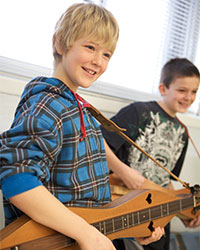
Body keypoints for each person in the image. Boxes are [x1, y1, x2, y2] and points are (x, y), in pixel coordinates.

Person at [0, 3, 164, 250]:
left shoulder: (81, 109)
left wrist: (129, 229)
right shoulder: (48, 103)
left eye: (107, 54)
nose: (98, 61)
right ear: (59, 44)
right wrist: (86, 234)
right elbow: (16, 177)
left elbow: (88, 205)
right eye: (90, 47)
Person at [101, 57, 200, 250]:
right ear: (163, 89)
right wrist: (124, 172)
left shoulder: (183, 133)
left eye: (194, 92)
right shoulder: (138, 112)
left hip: (159, 218)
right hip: (124, 210)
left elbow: (168, 182)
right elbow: (98, 142)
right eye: (182, 90)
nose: (188, 97)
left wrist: (184, 214)